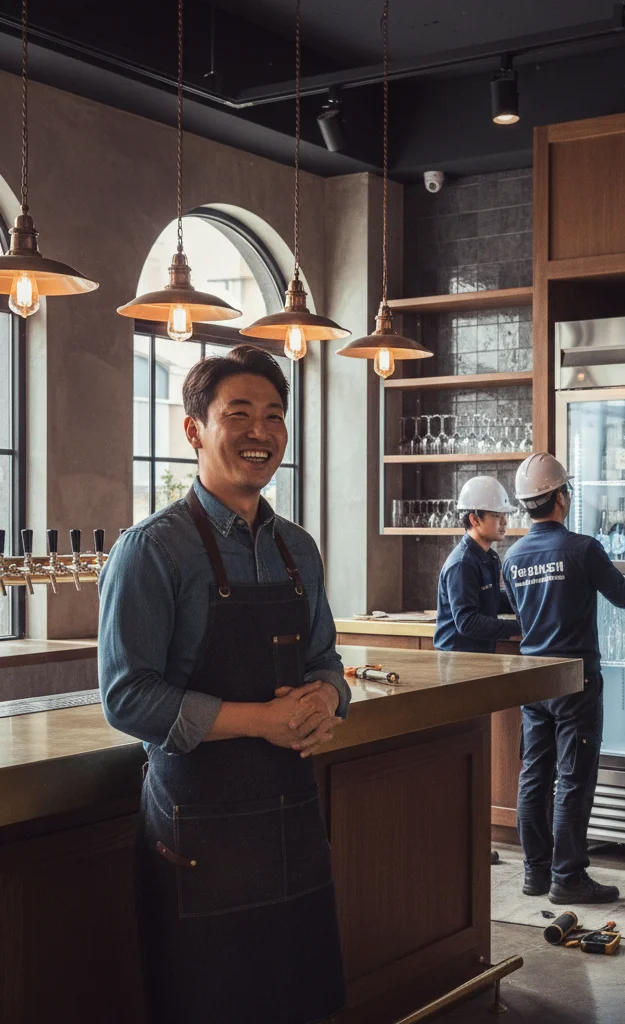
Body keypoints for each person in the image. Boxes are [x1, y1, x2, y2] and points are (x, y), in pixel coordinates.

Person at [99, 345, 347, 1024]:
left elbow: (327, 659)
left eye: (273, 415)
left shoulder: (299, 548)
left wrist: (326, 697)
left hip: (293, 822)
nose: (260, 431)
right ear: (193, 431)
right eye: (238, 413)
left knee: (304, 1001)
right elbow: (126, 696)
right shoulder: (152, 549)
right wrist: (260, 721)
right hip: (196, 833)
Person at [502, 453, 625, 904]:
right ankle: (568, 877)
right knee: (574, 778)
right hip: (574, 679)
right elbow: (622, 595)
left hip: (532, 679)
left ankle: (536, 873)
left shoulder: (513, 556)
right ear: (561, 496)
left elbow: (521, 615)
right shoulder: (582, 548)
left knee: (534, 776)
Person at [433, 476, 521, 653]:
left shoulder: (490, 557)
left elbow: (493, 600)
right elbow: (467, 622)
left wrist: (530, 600)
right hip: (457, 661)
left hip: (478, 658)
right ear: (474, 519)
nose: (504, 522)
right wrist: (520, 628)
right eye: (497, 515)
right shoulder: (462, 563)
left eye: (505, 515)